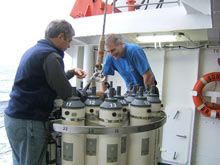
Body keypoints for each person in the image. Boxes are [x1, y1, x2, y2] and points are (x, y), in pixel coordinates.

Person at [4, 20, 87, 165]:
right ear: (60, 36)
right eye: (69, 41)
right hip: (29, 122)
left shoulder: (35, 50)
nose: (69, 46)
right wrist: (89, 96)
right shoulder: (51, 56)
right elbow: (67, 93)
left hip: (14, 118)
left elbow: (46, 80)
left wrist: (70, 72)